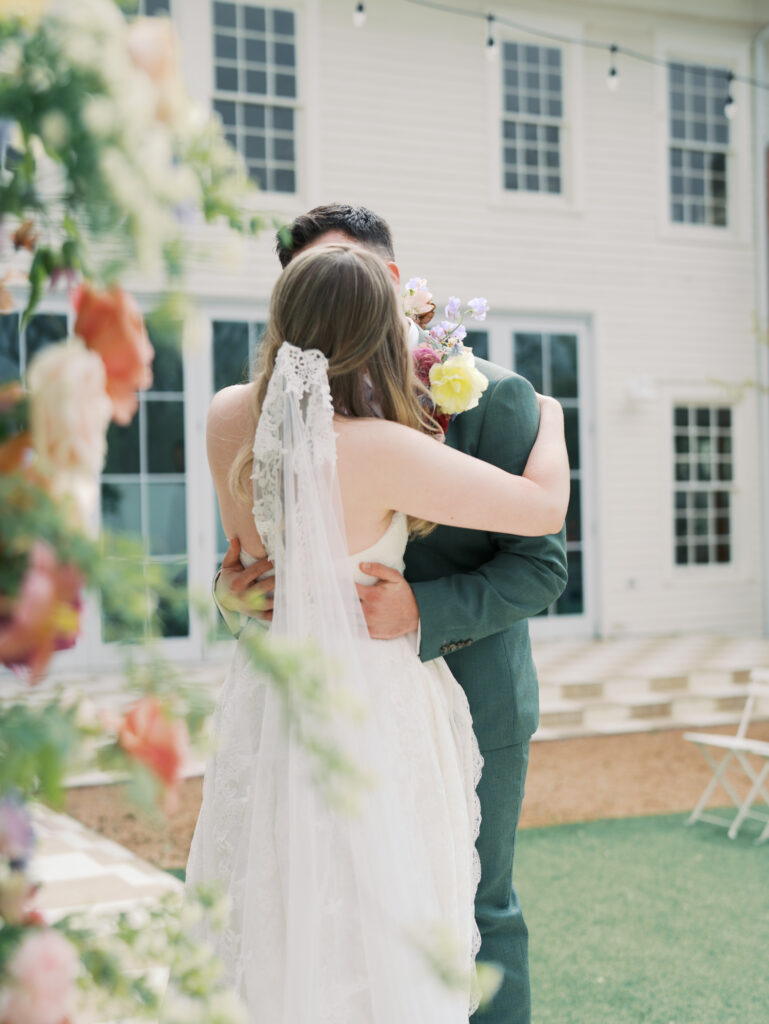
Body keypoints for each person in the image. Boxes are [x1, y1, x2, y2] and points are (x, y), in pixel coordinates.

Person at [187, 242, 568, 1023]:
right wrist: (553, 420)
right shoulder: (381, 448)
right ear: (380, 331)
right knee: (391, 909)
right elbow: (542, 511)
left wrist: (235, 589)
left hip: (276, 691)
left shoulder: (235, 422)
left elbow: (251, 575)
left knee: (281, 895)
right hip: (370, 692)